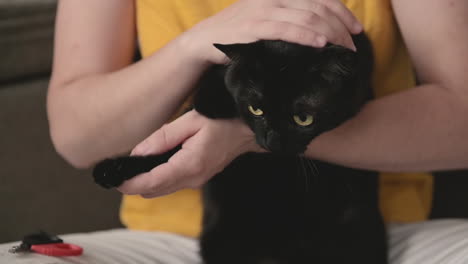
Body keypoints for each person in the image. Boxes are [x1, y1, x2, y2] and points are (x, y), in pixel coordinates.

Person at [44, 0, 468, 263]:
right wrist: (191, 48)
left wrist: (247, 134)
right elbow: (76, 139)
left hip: (385, 238)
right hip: (171, 243)